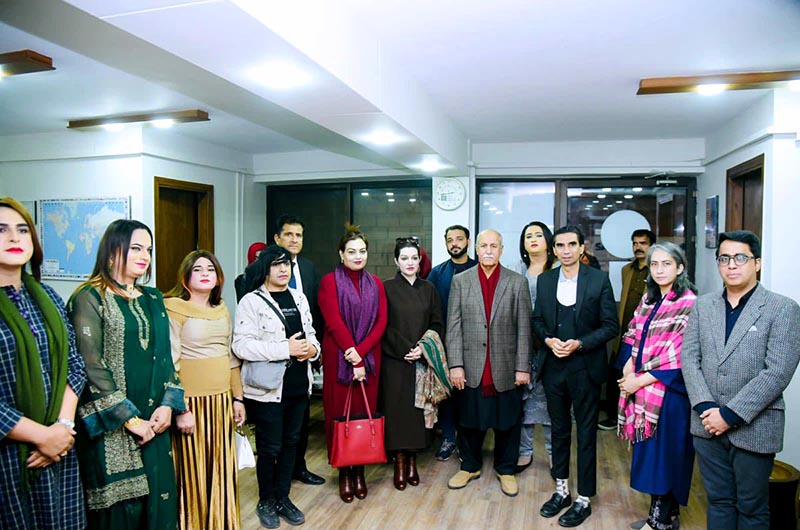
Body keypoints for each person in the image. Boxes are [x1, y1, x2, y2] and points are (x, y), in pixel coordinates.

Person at [68, 219, 186, 530]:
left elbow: (167, 359)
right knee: (122, 511)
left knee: (159, 501)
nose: (144, 255)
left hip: (156, 419)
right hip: (112, 426)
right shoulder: (89, 298)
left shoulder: (153, 298)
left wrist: (167, 406)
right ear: (111, 250)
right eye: (135, 248)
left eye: (148, 249)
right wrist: (130, 419)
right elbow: (89, 364)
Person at [682, 230, 800, 529]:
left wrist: (729, 415)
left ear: (757, 263)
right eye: (724, 258)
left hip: (754, 426)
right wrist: (707, 408)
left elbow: (778, 372)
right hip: (706, 423)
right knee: (719, 501)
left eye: (740, 258)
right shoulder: (704, 305)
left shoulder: (782, 308)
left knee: (752, 509)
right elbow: (689, 359)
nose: (731, 265)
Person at [0, 197, 87, 530]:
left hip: (59, 451)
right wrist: (40, 436)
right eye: (2, 230)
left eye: (22, 230)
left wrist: (62, 430)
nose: (14, 238)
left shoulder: (47, 296)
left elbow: (75, 366)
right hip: (11, 453)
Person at [532, 225, 618, 528]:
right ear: (554, 249)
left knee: (585, 434)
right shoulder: (544, 281)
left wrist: (580, 343)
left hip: (585, 367)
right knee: (558, 432)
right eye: (560, 245)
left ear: (582, 248)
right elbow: (538, 320)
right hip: (554, 367)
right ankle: (561, 490)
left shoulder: (599, 280)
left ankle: (584, 498)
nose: (566, 250)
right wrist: (547, 340)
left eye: (572, 245)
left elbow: (611, 326)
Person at [232, 245, 320, 528]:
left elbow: (311, 333)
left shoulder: (299, 297)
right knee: (270, 447)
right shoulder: (251, 301)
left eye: (287, 264)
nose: (284, 269)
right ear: (266, 268)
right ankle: (266, 500)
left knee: (291, 444)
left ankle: (283, 497)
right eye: (277, 265)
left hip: (298, 386)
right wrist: (286, 348)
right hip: (268, 390)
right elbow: (241, 345)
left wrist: (313, 350)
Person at [445, 229, 531, 498]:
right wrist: (455, 364)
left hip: (505, 366)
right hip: (471, 365)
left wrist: (522, 366)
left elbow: (524, 329)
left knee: (508, 421)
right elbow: (453, 327)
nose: (489, 250)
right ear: (476, 248)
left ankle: (506, 469)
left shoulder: (516, 282)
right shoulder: (461, 281)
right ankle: (470, 466)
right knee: (469, 420)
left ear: (502, 249)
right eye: (484, 246)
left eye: (494, 245)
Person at [616, 242, 697, 530]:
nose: (660, 270)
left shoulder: (688, 302)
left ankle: (657, 522)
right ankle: (668, 517)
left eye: (666, 264)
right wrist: (628, 367)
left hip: (670, 393)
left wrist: (639, 379)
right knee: (652, 455)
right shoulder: (649, 300)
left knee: (665, 457)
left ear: (680, 268)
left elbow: (681, 355)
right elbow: (632, 335)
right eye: (654, 264)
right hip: (645, 391)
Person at [164, 250, 245, 530]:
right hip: (191, 404)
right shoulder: (173, 308)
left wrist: (238, 398)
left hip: (220, 400)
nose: (205, 273)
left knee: (220, 466)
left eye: (210, 268)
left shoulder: (222, 309)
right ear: (185, 277)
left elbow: (231, 358)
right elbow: (170, 363)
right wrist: (181, 408)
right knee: (192, 470)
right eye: (197, 269)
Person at [318, 224, 388, 503]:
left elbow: (382, 322)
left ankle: (359, 470)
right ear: (341, 253)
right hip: (339, 357)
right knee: (340, 416)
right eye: (352, 251)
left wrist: (361, 353)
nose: (357, 256)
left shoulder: (377, 284)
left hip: (369, 359)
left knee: (363, 415)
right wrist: (352, 352)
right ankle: (344, 473)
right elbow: (333, 321)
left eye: (362, 251)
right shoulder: (329, 282)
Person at [381, 237, 444, 490]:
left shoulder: (429, 289)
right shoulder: (385, 288)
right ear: (396, 261)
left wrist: (422, 348)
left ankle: (412, 462)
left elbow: (437, 323)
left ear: (420, 261)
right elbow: (382, 324)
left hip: (421, 361)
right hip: (394, 361)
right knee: (397, 412)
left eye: (414, 258)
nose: (410, 263)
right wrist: (405, 349)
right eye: (404, 258)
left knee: (418, 413)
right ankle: (399, 461)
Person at [272, 213, 325, 486]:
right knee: (276, 423)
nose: (294, 240)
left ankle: (299, 467)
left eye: (299, 235)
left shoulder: (308, 267)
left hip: (304, 356)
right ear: (277, 238)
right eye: (289, 234)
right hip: (273, 359)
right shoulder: (261, 269)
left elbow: (315, 313)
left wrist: (316, 349)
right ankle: (276, 474)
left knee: (301, 419)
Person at [426, 224, 477, 461]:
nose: (454, 243)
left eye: (459, 238)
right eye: (450, 240)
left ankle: (470, 443)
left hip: (476, 345)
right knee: (448, 394)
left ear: (468, 241)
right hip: (446, 344)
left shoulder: (479, 269)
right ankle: (448, 437)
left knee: (471, 394)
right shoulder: (437, 273)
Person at [599, 229, 655, 431]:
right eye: (635, 243)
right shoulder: (626, 270)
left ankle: (636, 418)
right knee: (616, 371)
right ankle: (614, 416)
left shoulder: (657, 270)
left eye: (643, 243)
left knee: (640, 375)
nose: (638, 247)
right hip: (625, 332)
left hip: (648, 335)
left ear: (652, 246)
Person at [513, 221, 555, 472]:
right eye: (528, 236)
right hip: (524, 344)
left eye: (539, 234)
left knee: (553, 402)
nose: (534, 239)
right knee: (524, 401)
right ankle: (524, 451)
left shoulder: (559, 268)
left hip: (553, 346)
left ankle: (553, 453)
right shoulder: (517, 269)